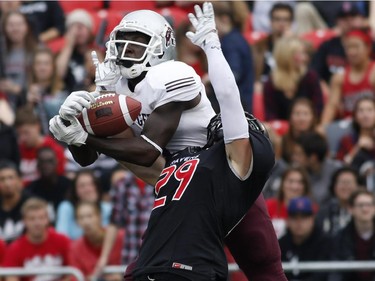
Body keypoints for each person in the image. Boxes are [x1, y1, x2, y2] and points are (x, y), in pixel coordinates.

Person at [49, 4, 287, 280]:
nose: (126, 49)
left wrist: (85, 134)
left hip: (222, 176)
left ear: (161, 48)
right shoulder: (116, 86)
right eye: (123, 41)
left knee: (264, 267)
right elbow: (87, 158)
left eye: (137, 43)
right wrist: (73, 129)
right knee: (149, 268)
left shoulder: (174, 73)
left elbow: (148, 150)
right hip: (177, 186)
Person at [130, 3, 274, 280]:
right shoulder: (195, 162)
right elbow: (145, 164)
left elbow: (230, 99)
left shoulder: (230, 168)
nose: (219, 129)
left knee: (266, 268)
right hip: (159, 261)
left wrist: (212, 47)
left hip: (192, 265)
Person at [2, 198, 71, 281]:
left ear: (47, 219)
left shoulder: (63, 241)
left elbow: (73, 273)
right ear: (24, 221)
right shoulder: (15, 248)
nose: (37, 223)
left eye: (41, 218)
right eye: (32, 219)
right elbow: (11, 278)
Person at [320, 28, 375, 130]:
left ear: (368, 48)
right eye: (349, 48)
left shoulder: (373, 73)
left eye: (356, 47)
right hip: (350, 127)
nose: (352, 52)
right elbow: (332, 106)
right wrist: (322, 128)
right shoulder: (339, 77)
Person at [263, 36, 323, 121]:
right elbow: (270, 115)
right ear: (287, 56)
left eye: (304, 54)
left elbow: (318, 108)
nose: (304, 58)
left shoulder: (310, 77)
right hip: (281, 130)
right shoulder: (271, 83)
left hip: (308, 127)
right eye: (299, 54)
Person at [279, 196, 331, 281]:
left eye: (304, 217)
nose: (299, 222)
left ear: (312, 219)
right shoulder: (280, 245)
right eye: (294, 217)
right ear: (287, 220)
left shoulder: (325, 243)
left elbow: (323, 275)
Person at [70, 201, 124, 281]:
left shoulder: (120, 237)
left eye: (90, 216)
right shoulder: (75, 247)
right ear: (77, 222)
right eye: (81, 218)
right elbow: (75, 278)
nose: (86, 222)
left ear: (100, 217)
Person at [329, 189, 375, 281]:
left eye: (369, 205)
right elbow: (335, 272)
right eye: (361, 205)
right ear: (350, 209)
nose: (365, 209)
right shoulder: (340, 238)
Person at [15, 105, 66, 185]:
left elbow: (58, 180)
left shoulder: (54, 150)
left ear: (37, 127)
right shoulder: (18, 149)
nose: (22, 138)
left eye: (26, 132)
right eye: (19, 134)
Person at [56, 169, 112, 240]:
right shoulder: (66, 207)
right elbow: (61, 237)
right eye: (82, 186)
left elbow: (111, 235)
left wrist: (93, 205)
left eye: (91, 184)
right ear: (75, 190)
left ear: (97, 186)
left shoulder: (107, 208)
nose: (87, 189)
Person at [292, 131, 342, 204]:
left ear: (313, 158)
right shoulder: (297, 171)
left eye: (299, 154)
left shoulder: (338, 172)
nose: (294, 158)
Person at [26, 47, 68, 135]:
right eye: (38, 63)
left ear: (53, 67)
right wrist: (29, 104)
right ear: (33, 67)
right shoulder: (25, 94)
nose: (42, 67)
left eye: (46, 63)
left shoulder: (64, 90)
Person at [25, 147, 72, 223]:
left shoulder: (69, 186)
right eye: (42, 162)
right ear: (37, 165)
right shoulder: (30, 190)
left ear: (56, 162)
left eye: (50, 161)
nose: (46, 165)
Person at [252, 2, 294, 83]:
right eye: (277, 19)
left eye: (286, 20)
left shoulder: (299, 48)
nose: (281, 24)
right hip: (263, 87)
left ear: (291, 23)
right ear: (270, 21)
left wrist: (289, 43)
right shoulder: (258, 47)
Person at [265, 166, 312, 238]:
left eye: (300, 182)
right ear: (282, 184)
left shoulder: (312, 209)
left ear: (305, 186)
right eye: (290, 181)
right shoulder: (268, 206)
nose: (295, 187)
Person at [316, 167, 362, 237]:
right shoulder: (324, 211)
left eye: (349, 182)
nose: (345, 186)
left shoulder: (365, 209)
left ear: (358, 186)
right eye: (342, 182)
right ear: (334, 187)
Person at [336, 96, 375, 170]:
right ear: (355, 116)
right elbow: (341, 168)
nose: (365, 115)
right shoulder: (347, 140)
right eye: (361, 111)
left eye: (370, 110)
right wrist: (358, 147)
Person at [0, 160, 29, 243]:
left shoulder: (31, 204)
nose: (7, 183)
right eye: (2, 179)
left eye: (10, 178)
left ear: (20, 181)